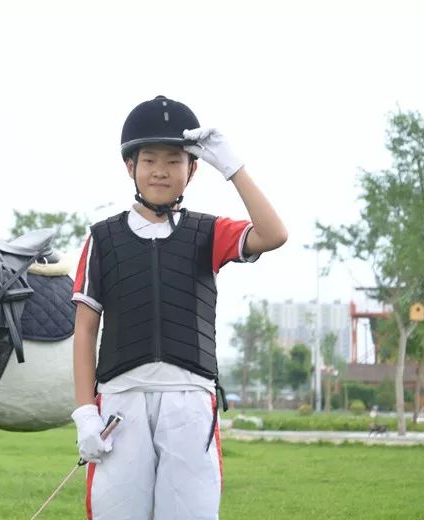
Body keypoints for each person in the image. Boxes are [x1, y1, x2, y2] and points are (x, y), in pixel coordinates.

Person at [71, 95, 288, 519]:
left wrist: (234, 168)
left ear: (193, 168)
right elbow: (84, 329)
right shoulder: (103, 238)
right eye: (148, 159)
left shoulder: (209, 232)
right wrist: (84, 413)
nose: (160, 170)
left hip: (190, 403)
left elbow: (274, 233)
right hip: (120, 403)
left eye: (174, 160)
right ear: (129, 166)